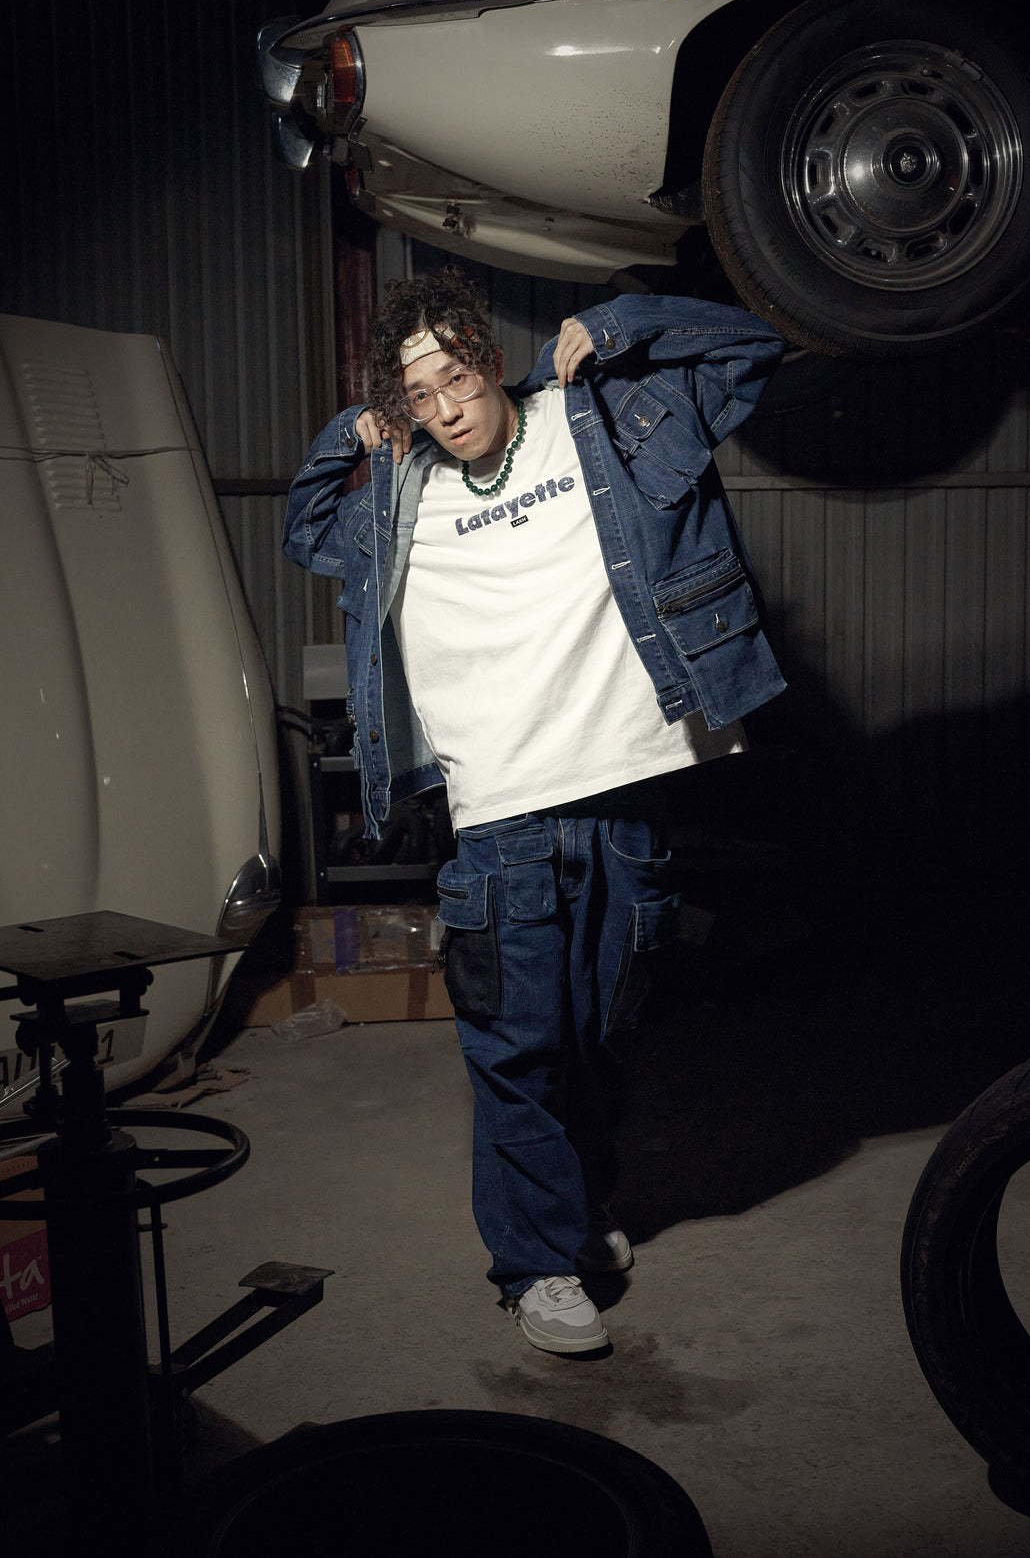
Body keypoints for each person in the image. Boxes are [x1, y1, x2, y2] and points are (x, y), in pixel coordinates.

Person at [284, 266, 786, 1354]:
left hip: (623, 787)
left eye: (456, 378)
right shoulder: (398, 492)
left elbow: (754, 349)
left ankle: (577, 1209)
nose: (446, 410)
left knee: (605, 1035)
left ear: (488, 355)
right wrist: (351, 434)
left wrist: (623, 323)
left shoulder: (600, 420)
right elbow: (304, 527)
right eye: (420, 396)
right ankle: (534, 1265)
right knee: (517, 1046)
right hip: (500, 810)